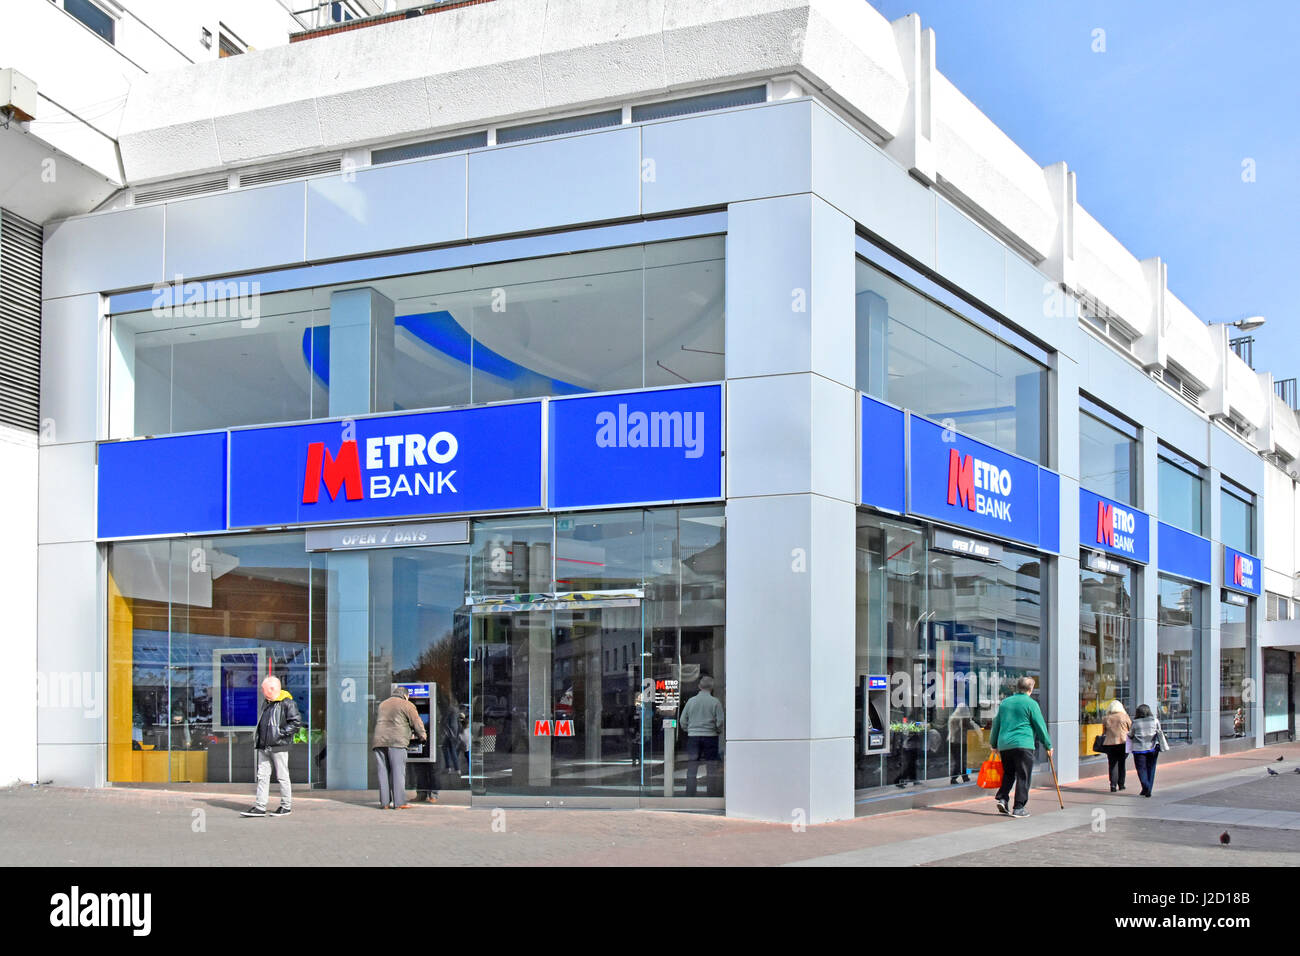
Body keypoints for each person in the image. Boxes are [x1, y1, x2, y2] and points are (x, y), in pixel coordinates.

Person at [989, 676, 1052, 819]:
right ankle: (1019, 807)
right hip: (1024, 744)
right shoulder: (1031, 704)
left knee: (1009, 773)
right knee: (1023, 775)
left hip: (1005, 744)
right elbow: (1040, 726)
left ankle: (1003, 798)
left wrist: (993, 744)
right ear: (1031, 689)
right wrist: (1047, 745)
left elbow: (996, 724)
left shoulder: (1005, 703)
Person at [241, 675, 301, 818]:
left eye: (263, 688)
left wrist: (280, 733)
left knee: (282, 776)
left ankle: (286, 806)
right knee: (262, 776)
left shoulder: (287, 703)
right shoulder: (267, 702)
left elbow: (296, 722)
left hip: (279, 746)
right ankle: (260, 807)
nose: (262, 691)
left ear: (272, 688)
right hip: (264, 745)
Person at [372, 684, 428, 810]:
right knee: (398, 772)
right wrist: (422, 736)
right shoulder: (407, 704)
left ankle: (384, 803)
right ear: (406, 695)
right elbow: (417, 722)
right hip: (396, 741)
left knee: (383, 772)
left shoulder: (383, 704)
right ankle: (399, 802)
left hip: (379, 741)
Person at [679, 675, 724, 797]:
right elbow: (720, 721)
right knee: (711, 767)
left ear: (699, 686)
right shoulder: (715, 702)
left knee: (692, 767)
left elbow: (683, 720)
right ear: (712, 687)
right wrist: (716, 730)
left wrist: (689, 730)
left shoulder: (691, 701)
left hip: (694, 737)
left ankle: (690, 793)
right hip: (710, 736)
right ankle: (711, 793)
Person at [1129, 704, 1167, 798]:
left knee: (1141, 769)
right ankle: (1148, 789)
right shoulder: (1155, 721)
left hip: (1139, 750)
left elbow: (1130, 734)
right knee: (1151, 768)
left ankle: (1146, 786)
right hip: (1153, 747)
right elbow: (1159, 731)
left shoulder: (1135, 722)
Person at [1100, 700, 1132, 792]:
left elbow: (1104, 732)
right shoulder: (1124, 717)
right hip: (1123, 743)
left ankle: (1113, 785)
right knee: (1122, 763)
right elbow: (1130, 728)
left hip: (1110, 743)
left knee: (1112, 764)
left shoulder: (1106, 718)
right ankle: (1121, 784)